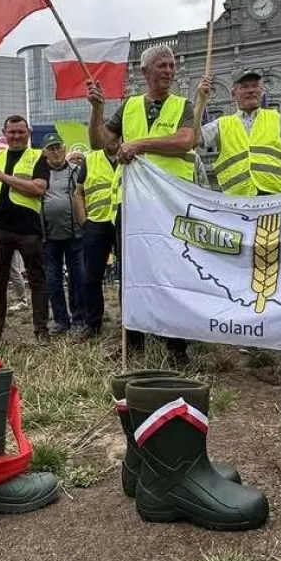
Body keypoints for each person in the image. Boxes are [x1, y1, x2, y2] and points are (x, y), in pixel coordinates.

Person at [88, 43, 196, 366]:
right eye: (162, 65)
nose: (169, 71)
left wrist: (139, 144)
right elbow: (99, 143)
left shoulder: (183, 105)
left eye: (172, 66)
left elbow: (186, 140)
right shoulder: (129, 107)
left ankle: (176, 348)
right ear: (145, 71)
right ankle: (132, 344)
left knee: (171, 272)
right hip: (132, 204)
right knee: (130, 274)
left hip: (169, 204)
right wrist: (97, 109)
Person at [0, 115, 50, 344]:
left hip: (28, 230)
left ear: (29, 133)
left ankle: (41, 332)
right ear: (4, 133)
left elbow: (38, 188)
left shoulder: (38, 156)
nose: (16, 136)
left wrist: (3, 177)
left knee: (37, 280)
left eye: (21, 132)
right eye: (12, 132)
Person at [197, 70, 281, 194]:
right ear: (233, 94)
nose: (251, 90)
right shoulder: (221, 124)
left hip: (275, 197)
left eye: (255, 86)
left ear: (262, 91)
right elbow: (195, 138)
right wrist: (201, 101)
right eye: (244, 87)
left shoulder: (277, 119)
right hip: (238, 199)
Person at [76, 131, 121, 340]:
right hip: (96, 224)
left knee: (128, 277)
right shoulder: (90, 159)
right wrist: (84, 222)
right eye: (108, 135)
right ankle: (93, 323)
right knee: (91, 277)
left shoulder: (131, 155)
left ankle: (130, 324)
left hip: (124, 222)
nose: (112, 139)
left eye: (116, 135)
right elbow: (79, 193)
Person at [40, 133, 86, 335]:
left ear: (65, 148)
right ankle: (60, 321)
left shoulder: (77, 171)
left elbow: (83, 195)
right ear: (45, 153)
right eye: (51, 148)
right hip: (48, 236)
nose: (56, 151)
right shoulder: (39, 174)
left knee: (79, 278)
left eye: (58, 147)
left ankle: (79, 318)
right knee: (52, 280)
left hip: (76, 235)